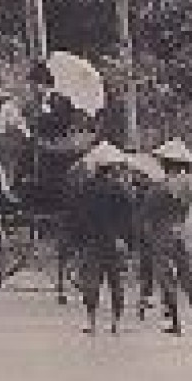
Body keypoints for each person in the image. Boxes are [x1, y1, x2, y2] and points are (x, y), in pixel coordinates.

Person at [65, 142, 136, 335]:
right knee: (116, 282)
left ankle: (92, 321)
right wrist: (129, 241)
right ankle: (116, 322)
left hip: (92, 241)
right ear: (112, 168)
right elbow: (129, 218)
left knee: (91, 282)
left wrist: (77, 242)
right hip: (115, 242)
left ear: (96, 168)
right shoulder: (121, 190)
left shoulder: (85, 190)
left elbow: (77, 217)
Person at [148, 139, 192, 337]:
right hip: (188, 233)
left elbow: (148, 213)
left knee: (168, 279)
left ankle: (177, 324)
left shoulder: (160, 187)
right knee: (191, 278)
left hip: (164, 234)